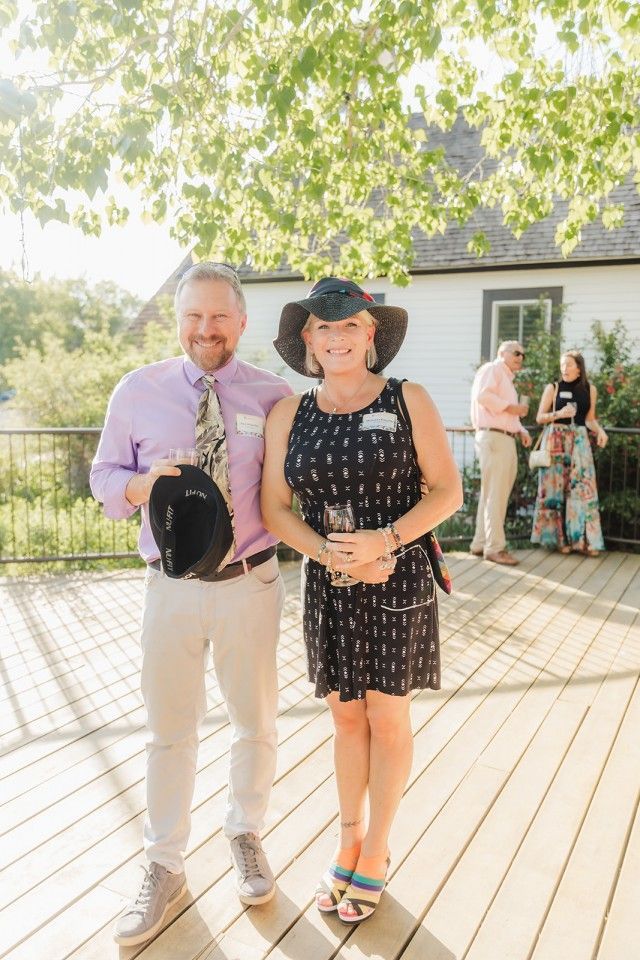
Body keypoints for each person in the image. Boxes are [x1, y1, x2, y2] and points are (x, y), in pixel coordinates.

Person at [90, 262, 292, 946]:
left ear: (241, 322)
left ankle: (245, 832)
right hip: (170, 588)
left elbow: (297, 485)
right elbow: (102, 475)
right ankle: (164, 863)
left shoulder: (273, 396)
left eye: (218, 317)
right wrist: (141, 487)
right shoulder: (137, 390)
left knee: (254, 721)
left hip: (251, 583)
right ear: (177, 322)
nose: (205, 330)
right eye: (192, 317)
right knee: (169, 730)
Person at [261, 277, 462, 923]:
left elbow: (447, 492)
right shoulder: (289, 414)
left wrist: (387, 541)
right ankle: (347, 838)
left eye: (350, 324)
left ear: (370, 335)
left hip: (396, 577)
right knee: (345, 719)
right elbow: (274, 508)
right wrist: (328, 554)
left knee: (387, 718)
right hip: (328, 582)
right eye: (323, 326)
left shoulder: (409, 400)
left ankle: (376, 849)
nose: (337, 336)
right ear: (307, 341)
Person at [531, 349, 607, 555]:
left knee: (581, 488)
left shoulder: (590, 389)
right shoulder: (553, 388)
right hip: (555, 440)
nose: (564, 368)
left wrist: (600, 431)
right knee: (554, 490)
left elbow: (590, 418)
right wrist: (559, 413)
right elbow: (539, 417)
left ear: (579, 368)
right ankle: (557, 540)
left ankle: (582, 541)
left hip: (579, 443)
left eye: (569, 365)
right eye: (562, 364)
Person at [469, 340, 532, 565]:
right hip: (495, 438)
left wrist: (521, 429)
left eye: (523, 355)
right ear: (501, 353)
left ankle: (479, 543)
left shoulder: (504, 377)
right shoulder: (494, 369)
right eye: (516, 352)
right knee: (496, 494)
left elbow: (504, 416)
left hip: (499, 436)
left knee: (490, 494)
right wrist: (510, 407)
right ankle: (495, 548)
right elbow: (483, 397)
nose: (520, 357)